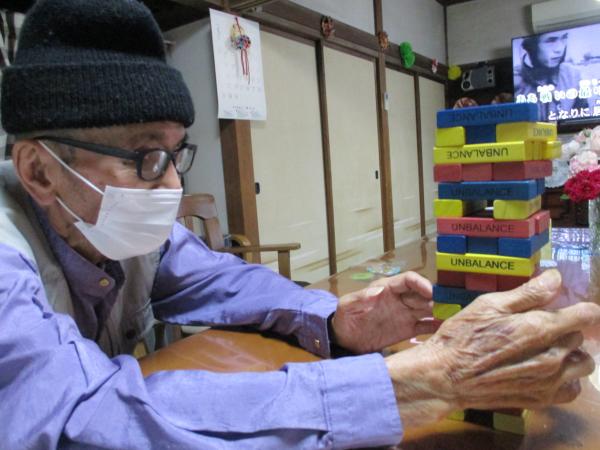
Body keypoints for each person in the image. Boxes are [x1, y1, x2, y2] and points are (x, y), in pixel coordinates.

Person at [1, 1, 599, 449]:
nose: (173, 186)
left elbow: (224, 281)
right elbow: (74, 420)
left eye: (177, 154)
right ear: (39, 171)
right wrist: (421, 382)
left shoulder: (124, 227)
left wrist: (334, 320)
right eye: (146, 156)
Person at [514, 30, 588, 121]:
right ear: (531, 46)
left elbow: (582, 120)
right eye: (551, 40)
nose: (560, 49)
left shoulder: (573, 75)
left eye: (564, 38)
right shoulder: (516, 81)